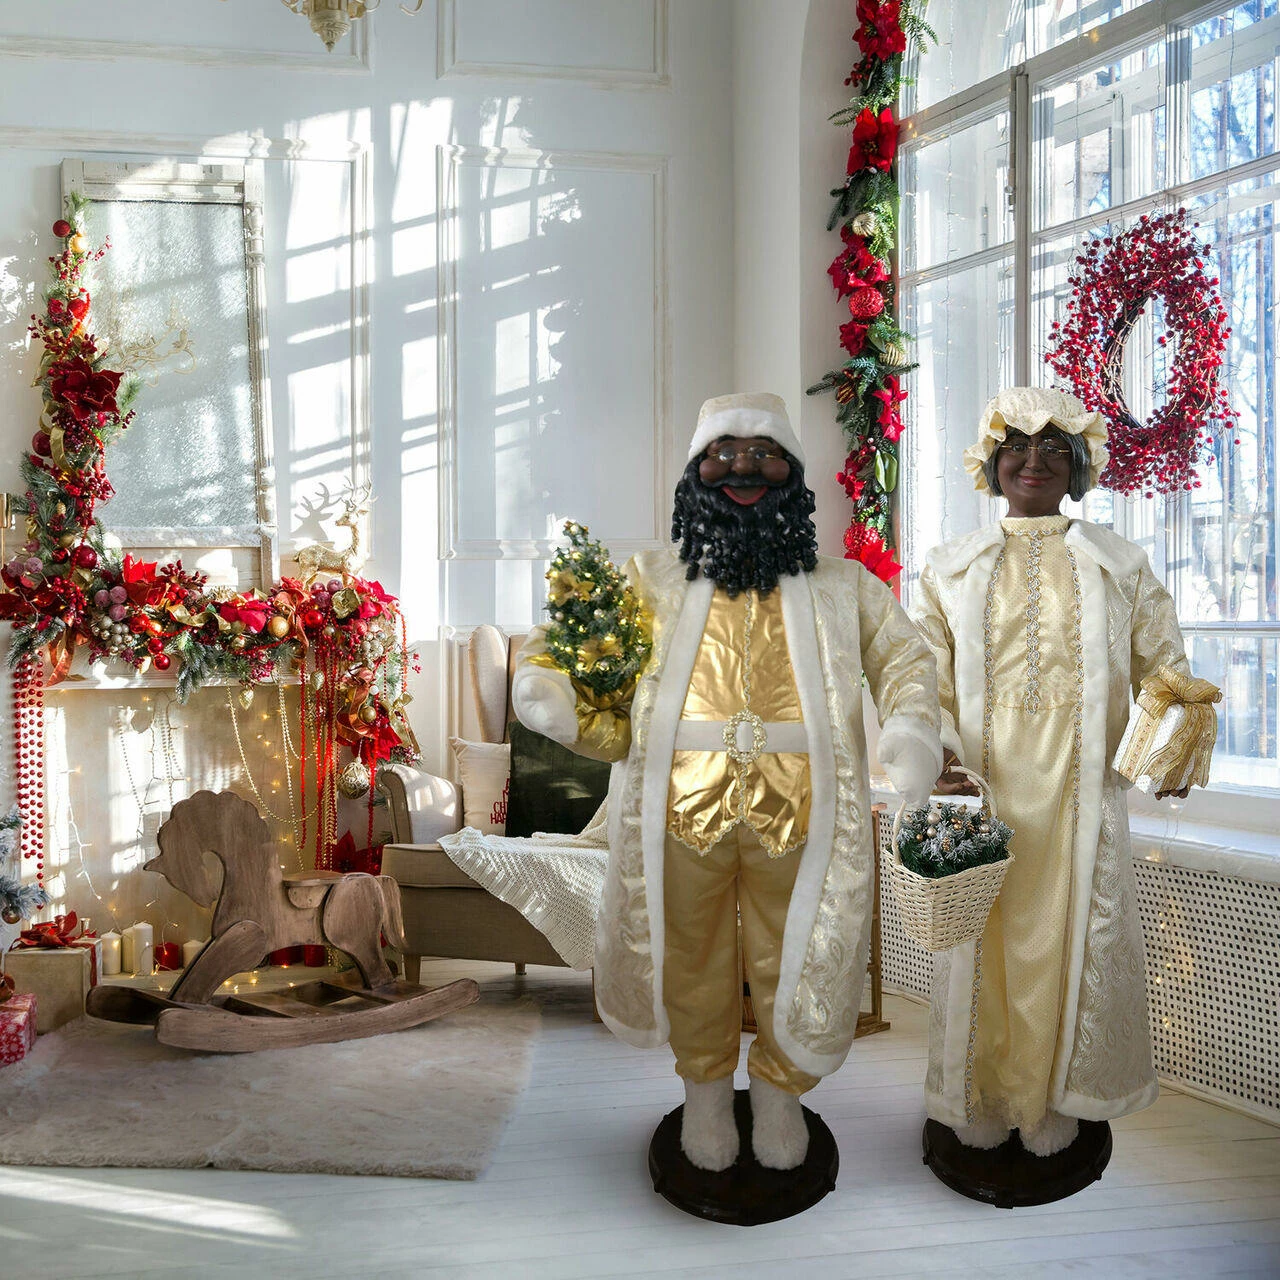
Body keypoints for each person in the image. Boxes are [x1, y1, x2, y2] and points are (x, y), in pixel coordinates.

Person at [514, 392, 941, 1171]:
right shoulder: (649, 577)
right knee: (689, 954)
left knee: (801, 954)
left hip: (807, 815)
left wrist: (910, 730)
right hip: (678, 810)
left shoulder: (844, 585)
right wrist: (550, 690)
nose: (744, 469)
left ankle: (780, 1093)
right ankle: (706, 1093)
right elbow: (569, 640)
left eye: (764, 455)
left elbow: (906, 658)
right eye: (724, 454)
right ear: (695, 474)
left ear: (793, 476)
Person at [911, 386, 1217, 1156]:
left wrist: (1171, 749)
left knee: (1073, 941)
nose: (1034, 460)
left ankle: (1053, 1100)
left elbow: (1165, 669)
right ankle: (980, 1094)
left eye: (1054, 447)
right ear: (991, 462)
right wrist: (935, 753)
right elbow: (919, 677)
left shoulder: (1120, 564)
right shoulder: (948, 568)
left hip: (1082, 794)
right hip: (978, 790)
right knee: (980, 942)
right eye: (1017, 445)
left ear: (1079, 464)